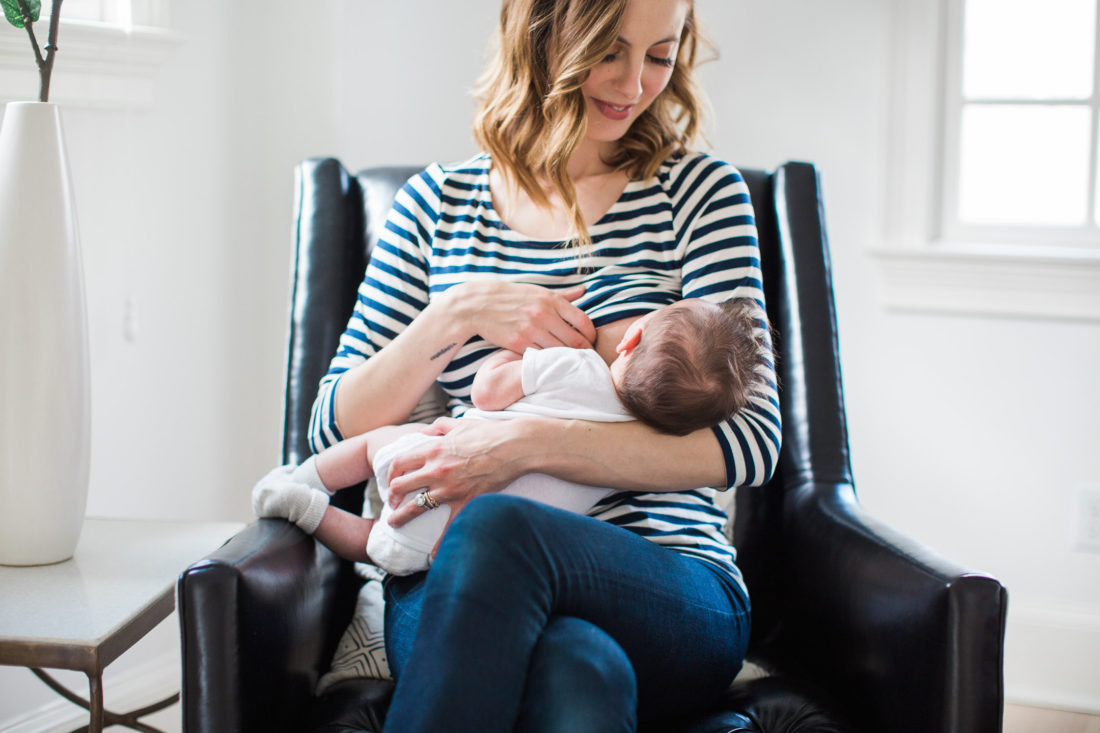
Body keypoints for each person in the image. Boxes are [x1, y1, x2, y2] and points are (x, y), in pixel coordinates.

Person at [302, 0, 781, 729]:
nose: (634, 83)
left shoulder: (699, 198)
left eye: (660, 54)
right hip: (454, 582)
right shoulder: (434, 206)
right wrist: (458, 311)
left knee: (501, 525)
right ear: (543, 33)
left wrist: (523, 446)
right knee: (574, 668)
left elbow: (749, 441)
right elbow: (331, 422)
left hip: (667, 581)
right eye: (609, 50)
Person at [254, 297, 767, 576]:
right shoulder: (640, 445)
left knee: (375, 446)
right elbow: (330, 417)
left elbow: (487, 392)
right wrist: (460, 309)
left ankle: (301, 486)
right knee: (378, 544)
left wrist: (508, 357)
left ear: (630, 338)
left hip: (429, 466)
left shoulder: (574, 365)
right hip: (452, 551)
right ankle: (312, 514)